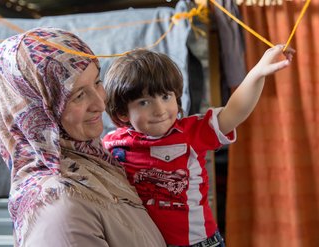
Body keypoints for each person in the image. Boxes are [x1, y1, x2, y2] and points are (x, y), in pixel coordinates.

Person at [0, 27, 166, 247]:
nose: (101, 104)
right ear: (39, 111)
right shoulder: (59, 206)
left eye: (97, 82)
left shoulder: (98, 164)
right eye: (78, 95)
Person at [102, 47, 295, 246]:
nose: (159, 110)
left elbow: (234, 112)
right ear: (123, 113)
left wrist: (257, 73)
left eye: (166, 97)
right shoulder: (112, 143)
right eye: (144, 102)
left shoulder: (191, 132)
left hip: (199, 242)